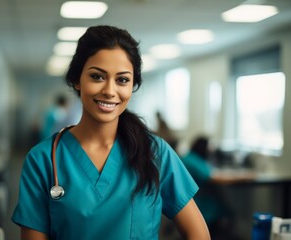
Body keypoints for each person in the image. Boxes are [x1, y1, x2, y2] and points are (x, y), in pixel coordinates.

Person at [11, 25, 210, 240]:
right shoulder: (43, 160)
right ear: (77, 80)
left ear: (133, 85)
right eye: (97, 77)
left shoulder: (155, 152)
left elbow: (197, 232)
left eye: (122, 80)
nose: (109, 90)